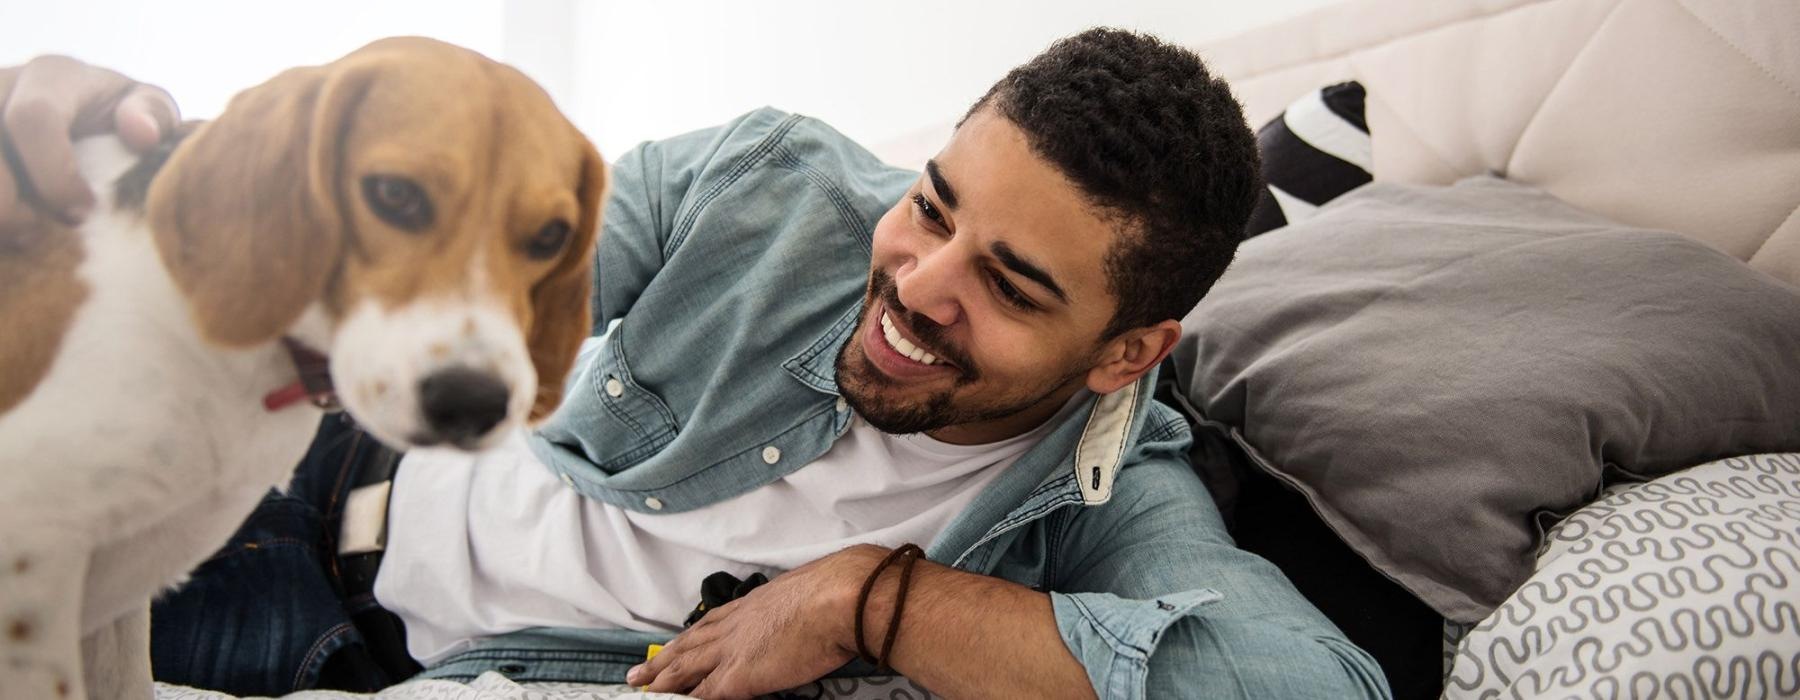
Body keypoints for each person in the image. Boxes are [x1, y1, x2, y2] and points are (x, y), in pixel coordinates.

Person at [0, 29, 1390, 700]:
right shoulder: (768, 185)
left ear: (1126, 353)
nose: (917, 283)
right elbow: (434, 235)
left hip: (368, 653)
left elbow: (1308, 690)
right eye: (933, 204)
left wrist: (875, 603)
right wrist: (127, 161)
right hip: (313, 459)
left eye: (1011, 287)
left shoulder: (1106, 503)